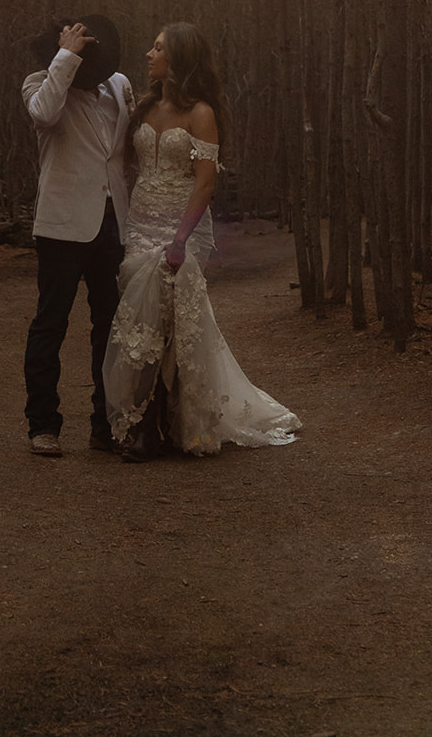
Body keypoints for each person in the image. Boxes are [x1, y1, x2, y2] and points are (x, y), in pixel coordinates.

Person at [103, 23, 301, 460]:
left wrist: (179, 239)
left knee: (172, 322)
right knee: (143, 320)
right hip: (139, 224)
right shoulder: (145, 106)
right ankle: (148, 420)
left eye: (158, 48)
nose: (149, 54)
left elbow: (205, 184)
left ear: (179, 59)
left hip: (181, 227)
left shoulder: (201, 113)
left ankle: (162, 425)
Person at [22, 15, 134, 457]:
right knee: (51, 323)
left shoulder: (119, 86)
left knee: (110, 327)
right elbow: (44, 114)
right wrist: (66, 56)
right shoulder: (41, 82)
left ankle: (104, 423)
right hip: (62, 226)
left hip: (113, 224)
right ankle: (42, 425)